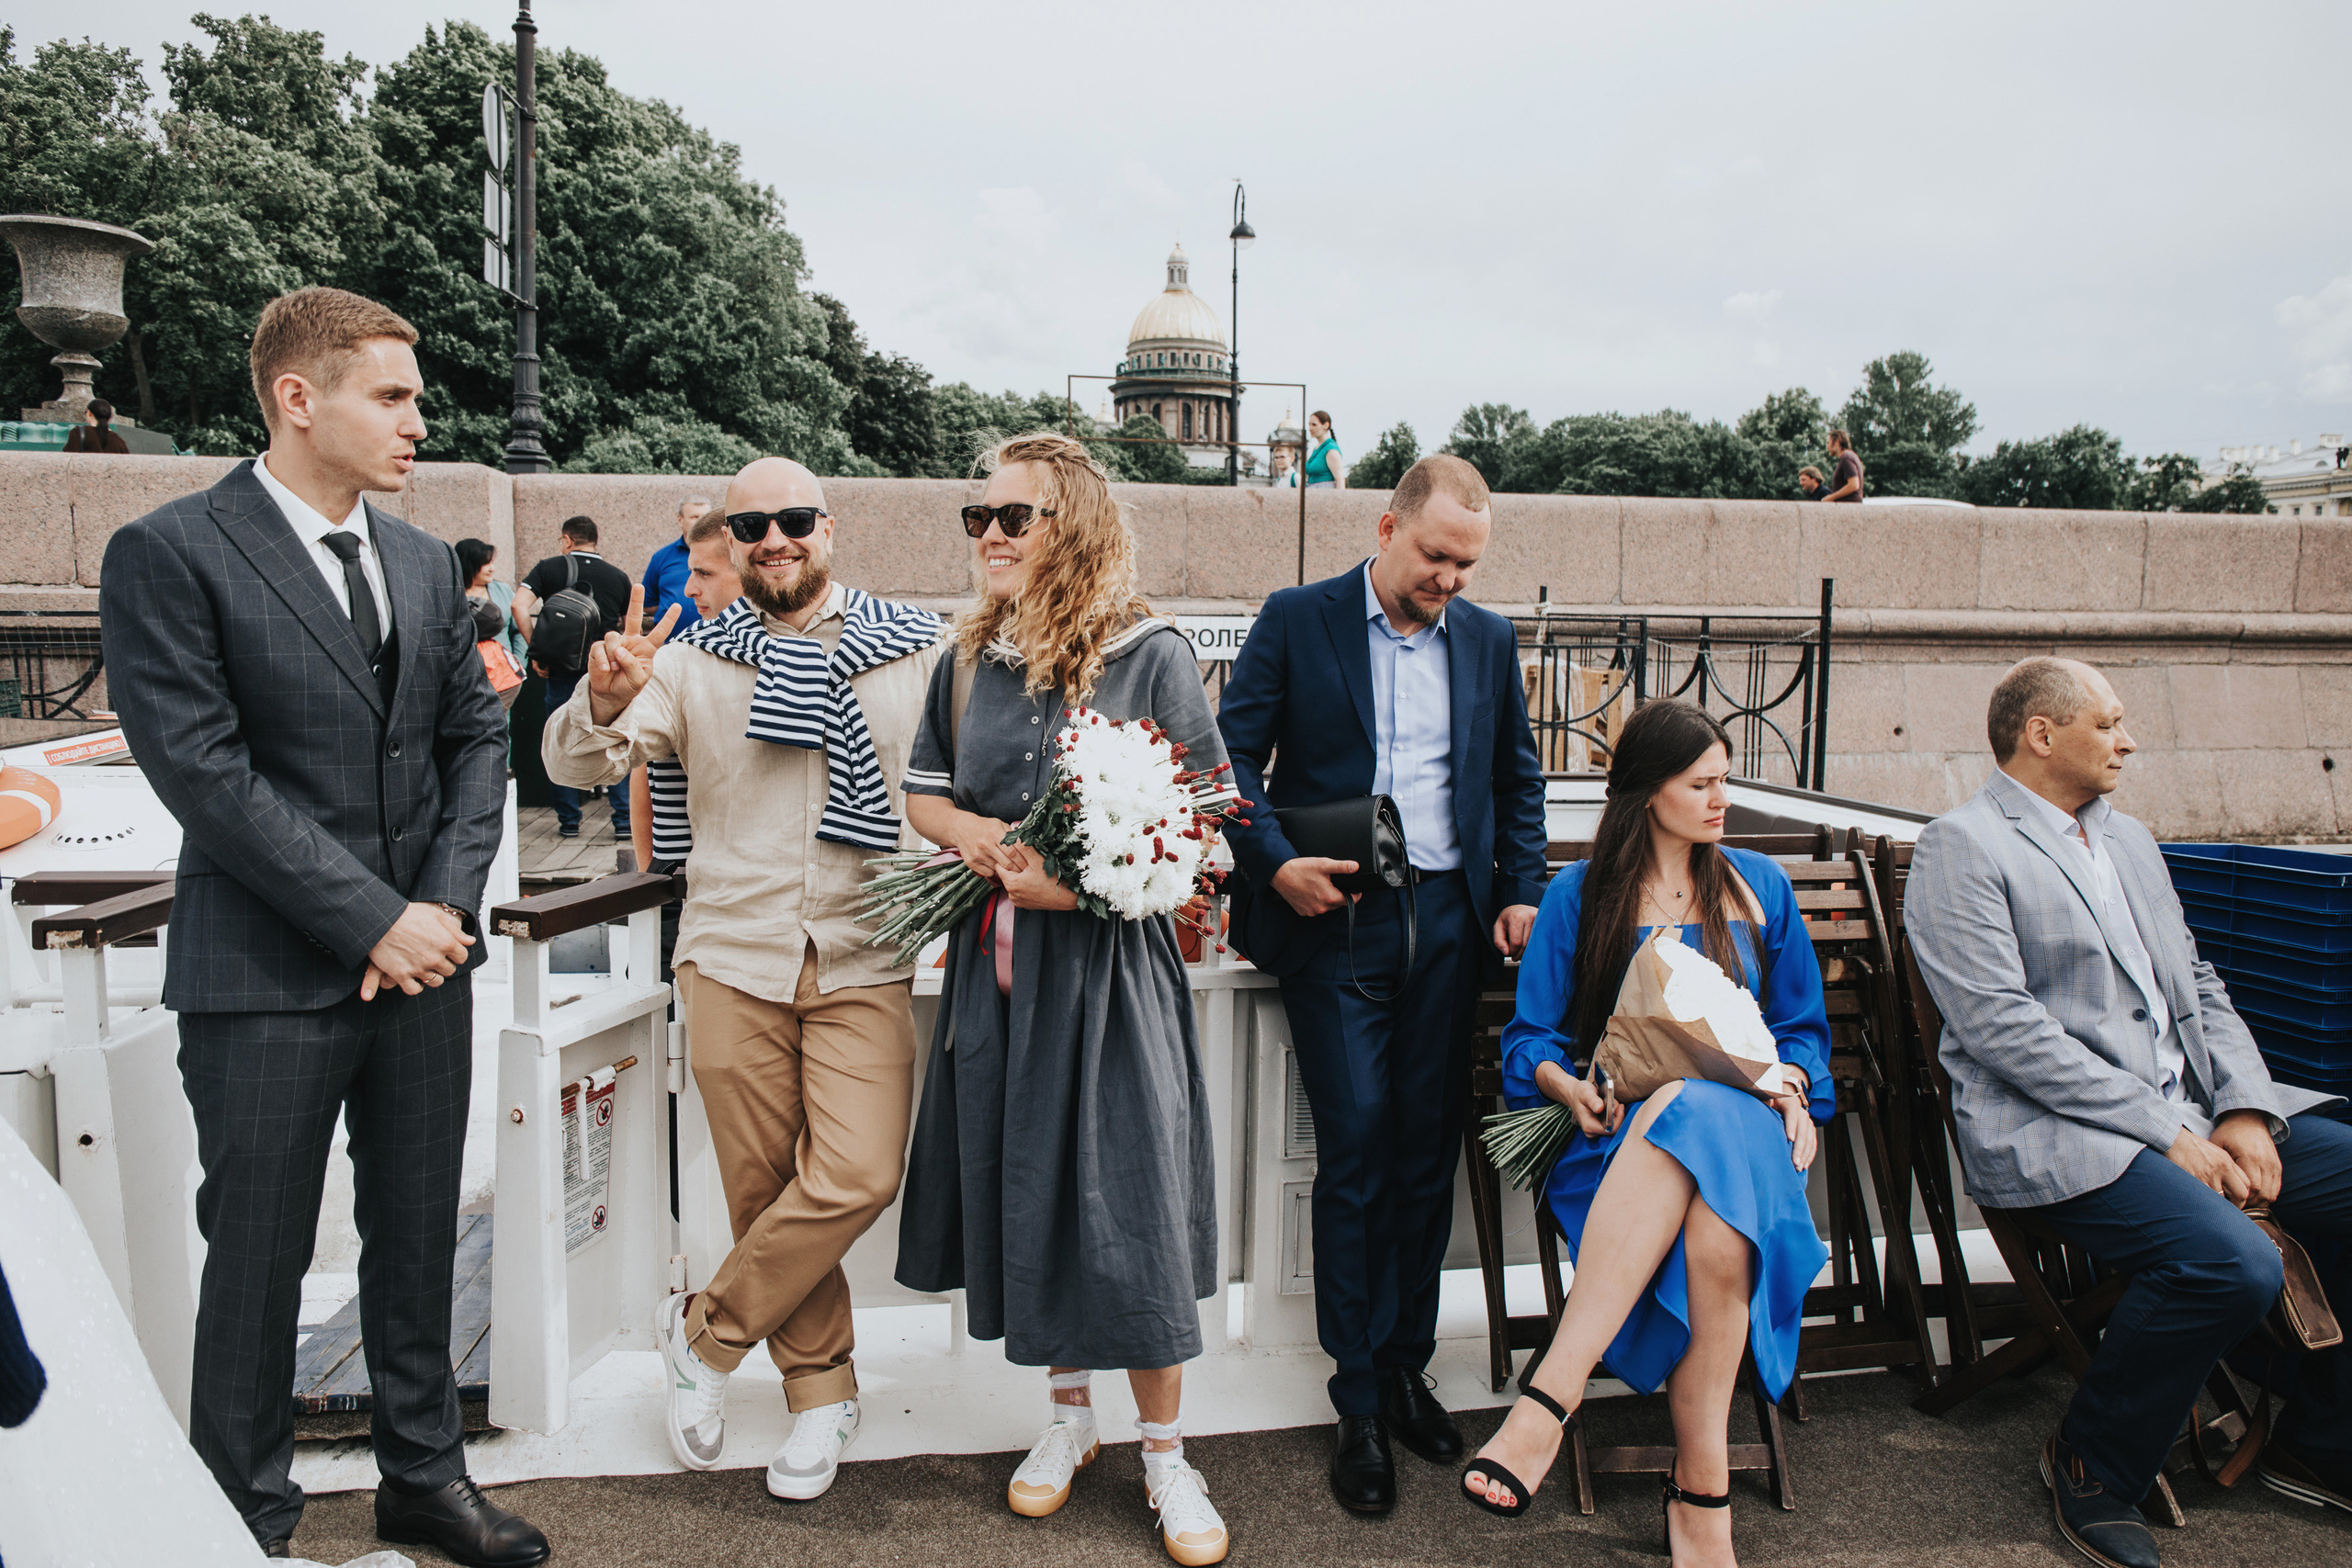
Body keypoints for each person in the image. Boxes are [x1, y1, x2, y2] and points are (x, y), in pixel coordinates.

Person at [97, 287, 543, 1563]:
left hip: (425, 967)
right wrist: (372, 920)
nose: (418, 422)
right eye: (392, 396)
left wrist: (440, 908)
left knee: (416, 1235)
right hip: (262, 977)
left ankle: (425, 1481)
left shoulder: (422, 559)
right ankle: (244, 1524)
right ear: (299, 398)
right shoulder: (170, 552)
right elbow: (203, 772)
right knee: (256, 1260)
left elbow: (476, 740)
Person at [544, 456, 943, 1504]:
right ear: (725, 540)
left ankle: (705, 1337)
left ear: (829, 525)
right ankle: (822, 1394)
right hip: (729, 951)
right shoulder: (689, 662)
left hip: (865, 949)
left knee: (860, 1172)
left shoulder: (919, 647)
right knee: (760, 1188)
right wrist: (597, 701)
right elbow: (575, 768)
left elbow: (970, 775)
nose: (775, 539)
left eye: (794, 518)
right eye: (751, 524)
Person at [1907, 658, 2352, 1568]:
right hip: (2062, 1133)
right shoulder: (1962, 846)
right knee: (2228, 1263)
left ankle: (2320, 1438)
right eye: (2108, 723)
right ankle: (2093, 1461)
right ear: (2042, 734)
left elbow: (2198, 984)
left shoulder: (2131, 841)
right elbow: (2002, 1031)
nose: (2129, 740)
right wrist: (2166, 1130)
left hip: (2191, 1111)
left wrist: (2241, 1109)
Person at [894, 432, 1234, 1565]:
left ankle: (1167, 1453)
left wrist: (1082, 884)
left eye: (1012, 517)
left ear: (1071, 528)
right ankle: (1069, 1418)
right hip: (997, 979)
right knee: (1032, 1185)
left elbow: (1208, 822)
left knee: (1133, 1204)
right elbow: (925, 795)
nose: (988, 535)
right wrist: (985, 842)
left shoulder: (1152, 654)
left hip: (1113, 982)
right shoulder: (965, 659)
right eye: (977, 517)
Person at [1216, 453, 1549, 1516]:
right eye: (1436, 556)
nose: (1449, 579)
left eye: (1467, 565)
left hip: (1450, 921)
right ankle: (1356, 1396)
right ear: (1387, 528)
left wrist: (1520, 889)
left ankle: (1407, 1367)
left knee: (1424, 1152)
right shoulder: (1296, 618)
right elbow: (1228, 760)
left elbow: (1517, 778)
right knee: (1356, 1151)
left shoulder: (1487, 639)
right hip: (1335, 919)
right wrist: (1276, 864)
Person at [1468, 700, 1834, 1559]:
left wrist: (1794, 1087)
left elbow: (1802, 1032)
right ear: (1646, 790)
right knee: (1709, 1205)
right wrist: (1565, 1084)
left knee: (1698, 1107)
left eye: (1725, 780)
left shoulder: (1759, 887)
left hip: (1751, 1140)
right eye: (1702, 784)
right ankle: (1703, 1490)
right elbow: (1530, 1040)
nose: (1722, 800)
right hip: (1617, 1154)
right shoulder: (1579, 893)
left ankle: (1550, 1396)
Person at [514, 515, 634, 840]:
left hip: (561, 671)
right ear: (596, 540)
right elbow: (627, 626)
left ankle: (569, 821)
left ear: (567, 540)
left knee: (562, 741)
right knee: (614, 739)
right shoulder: (617, 576)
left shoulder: (548, 568)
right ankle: (623, 820)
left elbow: (518, 606)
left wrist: (536, 650)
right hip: (605, 671)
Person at [456, 537, 525, 712]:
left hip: (503, 676)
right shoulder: (453, 594)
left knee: (500, 723)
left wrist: (518, 660)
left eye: (492, 562)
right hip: (468, 677)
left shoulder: (502, 590)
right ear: (469, 565)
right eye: (485, 564)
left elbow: (519, 630)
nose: (492, 568)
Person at [641, 492, 714, 632]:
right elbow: (648, 602)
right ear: (680, 520)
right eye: (694, 517)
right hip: (669, 640)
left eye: (705, 518)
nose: (701, 522)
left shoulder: (725, 555)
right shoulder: (661, 557)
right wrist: (672, 609)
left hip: (712, 639)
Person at [62, 398, 130, 455]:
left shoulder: (78, 432)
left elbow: (68, 459)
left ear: (89, 413)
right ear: (110, 418)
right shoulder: (119, 441)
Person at [1304, 411, 1347, 489]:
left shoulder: (1331, 450)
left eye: (1314, 425)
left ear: (1326, 425)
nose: (1310, 428)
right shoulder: (1316, 449)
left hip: (1325, 491)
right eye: (1309, 425)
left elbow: (1340, 480)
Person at [1821, 429, 1864, 502]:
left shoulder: (1846, 457)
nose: (1827, 447)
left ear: (1837, 442)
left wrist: (1830, 497)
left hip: (1849, 506)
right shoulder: (1848, 456)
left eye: (1828, 443)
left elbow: (1854, 485)